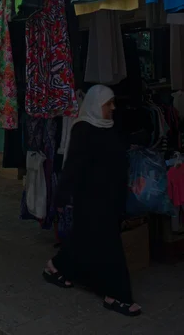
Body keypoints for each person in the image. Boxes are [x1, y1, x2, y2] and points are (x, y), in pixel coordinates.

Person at [43, 84, 141, 317]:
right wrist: (61, 196)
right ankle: (117, 295)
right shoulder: (83, 129)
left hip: (110, 197)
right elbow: (73, 166)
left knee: (84, 238)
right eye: (109, 104)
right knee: (109, 245)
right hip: (92, 198)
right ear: (97, 105)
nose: (113, 108)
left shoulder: (109, 127)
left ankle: (56, 267)